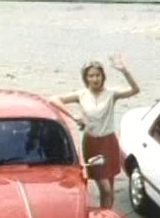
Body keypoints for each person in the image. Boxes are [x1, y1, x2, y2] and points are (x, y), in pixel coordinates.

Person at [51, 55, 140, 209]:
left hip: (109, 142)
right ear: (86, 78)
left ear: (102, 76)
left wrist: (124, 71)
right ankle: (103, 216)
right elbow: (54, 99)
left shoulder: (111, 94)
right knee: (104, 188)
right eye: (91, 76)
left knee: (110, 188)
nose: (95, 79)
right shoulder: (81, 95)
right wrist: (74, 116)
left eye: (97, 75)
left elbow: (135, 90)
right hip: (92, 143)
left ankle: (106, 217)